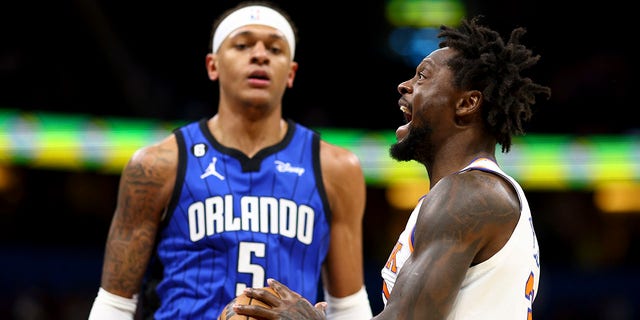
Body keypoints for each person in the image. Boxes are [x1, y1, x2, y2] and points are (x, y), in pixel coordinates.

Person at [234, 15, 552, 320]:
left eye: (423, 76)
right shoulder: (468, 194)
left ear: (467, 103)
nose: (404, 85)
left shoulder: (469, 194)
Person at [87, 1, 372, 319]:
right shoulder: (157, 165)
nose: (260, 55)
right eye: (242, 45)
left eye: (275, 49)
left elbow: (348, 308)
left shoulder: (336, 168)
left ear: (291, 73)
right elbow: (115, 303)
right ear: (213, 65)